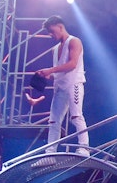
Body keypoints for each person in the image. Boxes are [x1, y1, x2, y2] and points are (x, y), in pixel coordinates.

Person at [35, 15, 89, 154]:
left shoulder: (74, 41)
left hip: (74, 84)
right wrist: (48, 74)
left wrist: (51, 70)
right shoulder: (55, 49)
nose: (51, 34)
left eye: (52, 31)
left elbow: (72, 64)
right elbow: (60, 69)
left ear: (60, 27)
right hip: (60, 87)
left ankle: (84, 148)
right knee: (53, 121)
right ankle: (50, 152)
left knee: (76, 116)